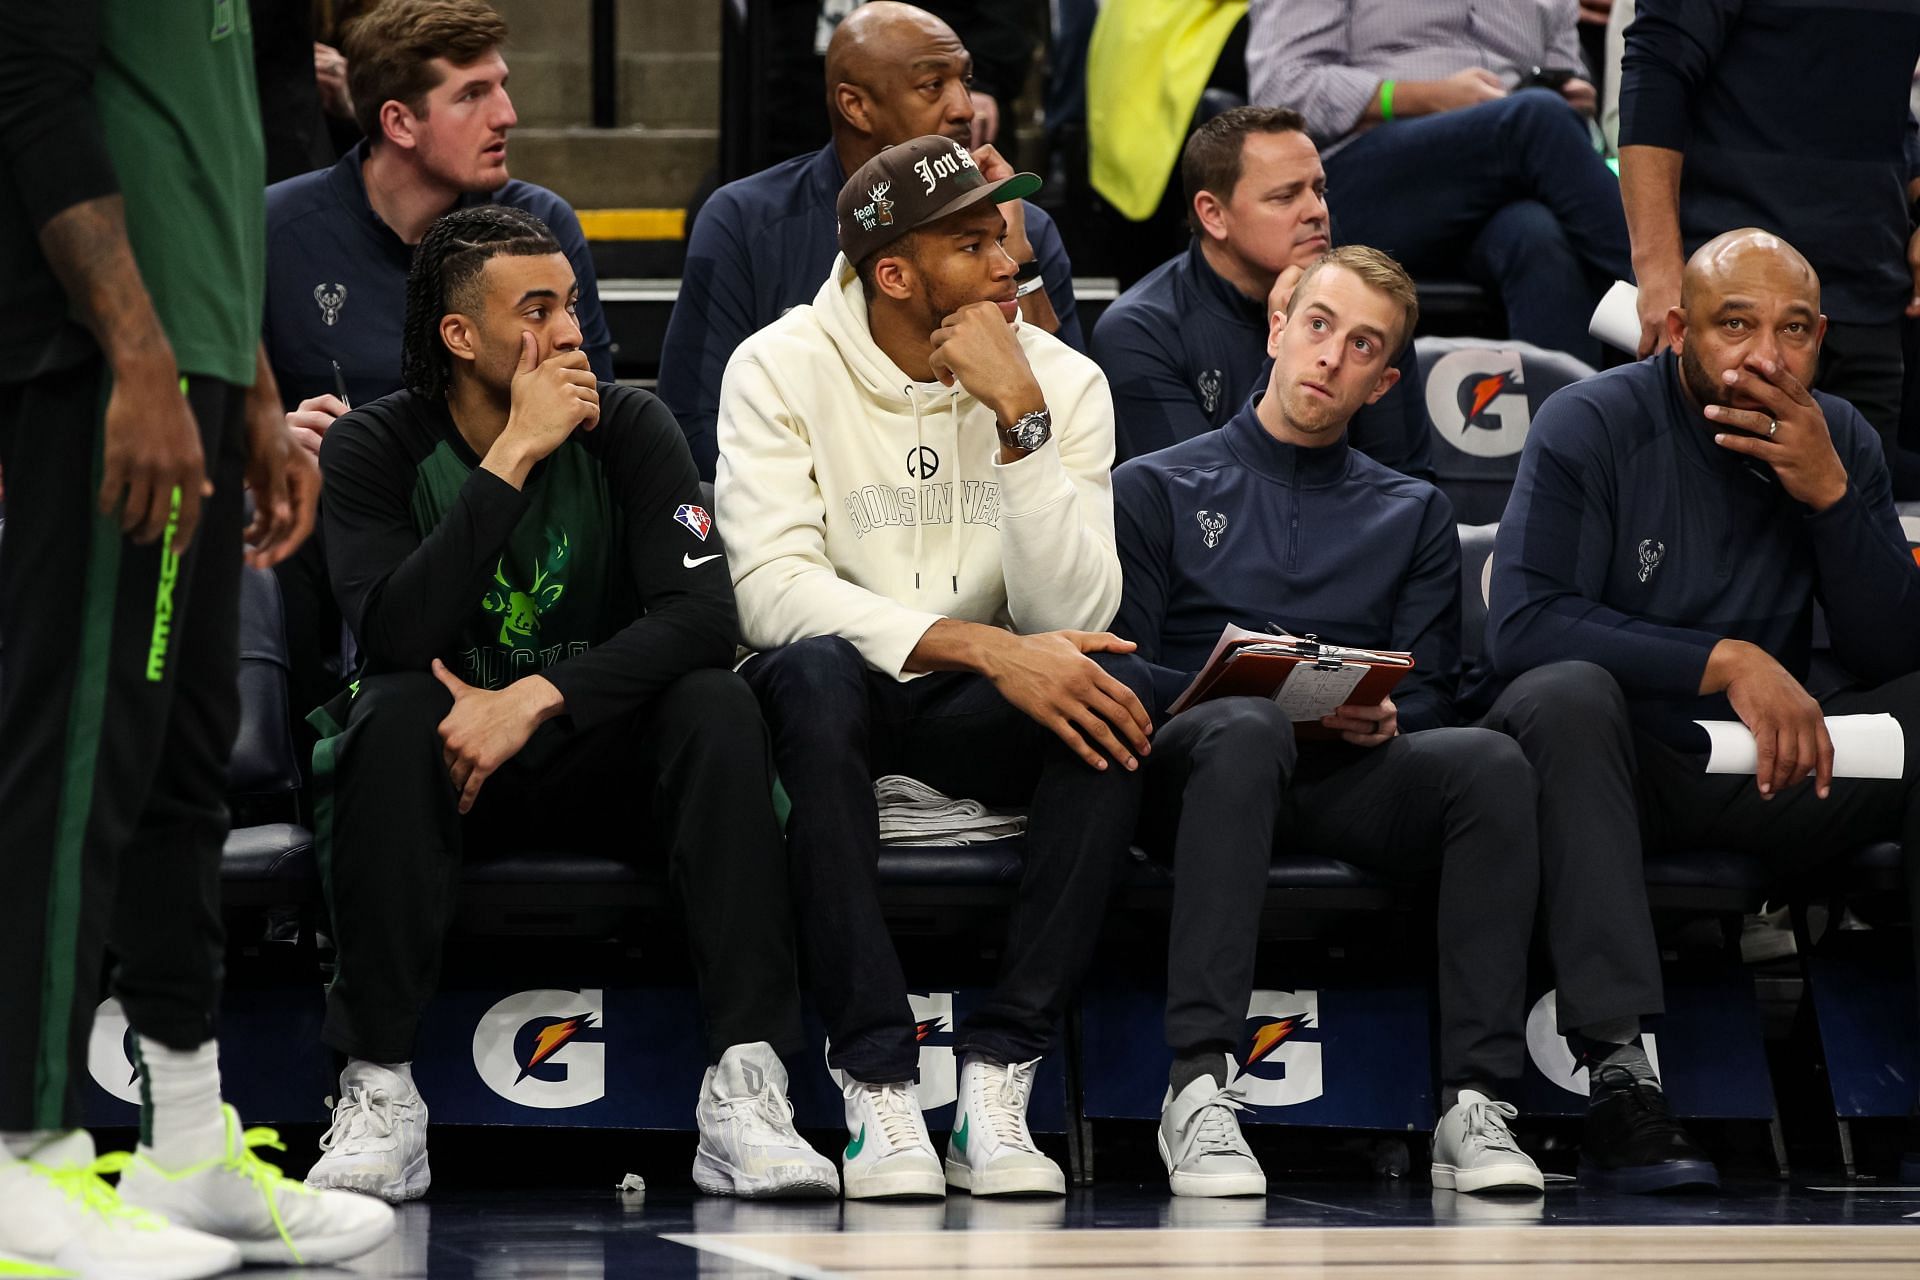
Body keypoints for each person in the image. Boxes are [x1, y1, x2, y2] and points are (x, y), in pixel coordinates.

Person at [304, 207, 837, 1205]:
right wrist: (511, 458)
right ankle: (377, 1082)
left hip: (592, 755)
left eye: (573, 306)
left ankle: (748, 1085)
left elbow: (701, 615)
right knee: (387, 711)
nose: (569, 333)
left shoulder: (631, 426)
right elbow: (390, 630)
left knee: (714, 706)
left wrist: (537, 696)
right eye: (536, 310)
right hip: (445, 769)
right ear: (460, 336)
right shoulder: (374, 445)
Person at [0, 1, 391, 1273]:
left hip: (201, 363)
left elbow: (210, 149)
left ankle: (181, 1142)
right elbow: (33, 102)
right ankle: (24, 1152)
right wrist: (139, 358)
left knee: (184, 766)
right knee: (75, 766)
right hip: (103, 364)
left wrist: (253, 378)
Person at [717, 135, 1155, 1199]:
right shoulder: (777, 364)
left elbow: (1075, 613)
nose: (1011, 258)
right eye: (974, 242)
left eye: (1003, 231)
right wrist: (984, 645)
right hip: (843, 689)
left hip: (972, 696)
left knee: (1108, 702)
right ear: (897, 275)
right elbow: (768, 593)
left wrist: (1021, 422)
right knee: (813, 676)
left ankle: (1000, 1077)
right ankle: (875, 1079)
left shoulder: (1062, 380)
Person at [1116, 245, 1563, 1199]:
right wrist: (1233, 690)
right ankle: (1198, 1085)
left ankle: (1474, 1102)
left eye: (1362, 346)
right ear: (1278, 329)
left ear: (1384, 380)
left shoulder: (1412, 512)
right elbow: (1124, 667)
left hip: (1349, 776)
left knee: (1488, 762)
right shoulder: (1153, 485)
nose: (1331, 355)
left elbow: (1441, 689)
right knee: (1247, 731)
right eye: (1318, 326)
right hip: (1197, 777)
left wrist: (1391, 711)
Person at [1475, 229, 1920, 1186]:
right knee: (1565, 694)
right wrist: (1722, 660)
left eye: (1794, 331)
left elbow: (1890, 653)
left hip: (1773, 769)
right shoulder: (1590, 423)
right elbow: (1523, 625)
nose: (1767, 356)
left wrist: (1834, 500)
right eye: (1735, 325)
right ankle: (1621, 1082)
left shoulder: (1839, 436)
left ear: (1821, 338)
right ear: (1678, 329)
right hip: (1620, 766)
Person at [262, 0, 613, 748]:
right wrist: (266, 435)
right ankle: (289, 782)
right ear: (398, 123)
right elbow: (215, 402)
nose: (508, 114)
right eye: (473, 94)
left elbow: (592, 397)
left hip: (508, 513)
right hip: (340, 534)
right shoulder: (278, 229)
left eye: (503, 86)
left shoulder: (535, 227)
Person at [663, 1, 1082, 481]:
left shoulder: (1021, 226)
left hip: (987, 510)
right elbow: (695, 423)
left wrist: (1020, 256)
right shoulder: (745, 221)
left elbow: (1070, 417)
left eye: (965, 80)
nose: (964, 106)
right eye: (933, 85)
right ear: (856, 107)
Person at [1618, 0, 1920, 493]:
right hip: (1732, 296)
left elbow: (1871, 90)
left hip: (1868, 289)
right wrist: (1658, 270)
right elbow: (1658, 71)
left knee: (1854, 541)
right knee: (1707, 548)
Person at [1246, 0, 1632, 366]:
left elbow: (1564, 73)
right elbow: (1281, 87)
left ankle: (1567, 430)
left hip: (1504, 174)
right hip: (1355, 175)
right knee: (1538, 119)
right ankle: (1666, 310)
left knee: (1536, 237)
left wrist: (1573, 97)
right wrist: (1424, 98)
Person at [1091, 106, 1433, 474]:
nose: (1316, 211)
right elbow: (1193, 500)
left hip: (1354, 528)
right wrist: (1289, 339)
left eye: (1319, 190)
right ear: (1213, 214)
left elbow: (1405, 486)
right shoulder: (1137, 333)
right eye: (1285, 197)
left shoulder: (1369, 310)